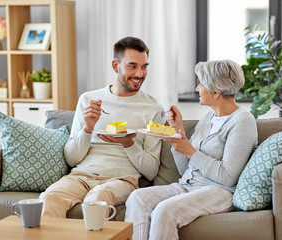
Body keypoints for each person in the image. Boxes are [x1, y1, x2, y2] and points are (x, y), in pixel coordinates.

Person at [125, 60, 258, 240]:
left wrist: (190, 151)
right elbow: (185, 170)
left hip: (219, 191)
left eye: (201, 83)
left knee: (165, 211)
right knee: (137, 198)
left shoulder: (242, 121)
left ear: (216, 92)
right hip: (189, 186)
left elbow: (228, 177)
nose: (197, 89)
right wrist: (178, 133)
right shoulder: (207, 118)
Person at [39, 36, 165, 218]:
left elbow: (151, 171)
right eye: (132, 66)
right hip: (80, 176)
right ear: (116, 66)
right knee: (49, 197)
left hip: (121, 180)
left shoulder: (153, 109)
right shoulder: (88, 100)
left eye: (144, 67)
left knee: (97, 199)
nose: (139, 74)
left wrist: (128, 143)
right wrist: (87, 129)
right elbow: (71, 159)